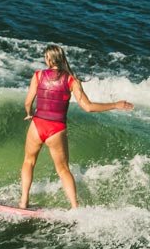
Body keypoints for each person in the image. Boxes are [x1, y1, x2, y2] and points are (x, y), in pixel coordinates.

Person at [19, 44, 133, 209]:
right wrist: (115, 104)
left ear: (49, 59)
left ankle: (23, 202)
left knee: (28, 162)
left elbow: (28, 102)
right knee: (63, 169)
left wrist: (29, 113)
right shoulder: (72, 80)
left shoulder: (38, 76)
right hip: (56, 130)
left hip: (37, 125)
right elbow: (88, 107)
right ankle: (75, 207)